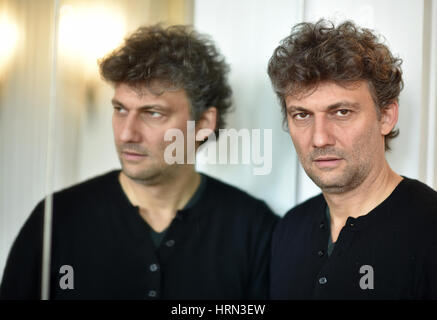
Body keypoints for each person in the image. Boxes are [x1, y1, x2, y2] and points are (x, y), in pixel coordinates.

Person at [0, 25, 278, 300]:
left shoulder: (252, 227)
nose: (126, 133)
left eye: (153, 113)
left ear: (204, 123)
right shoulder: (58, 218)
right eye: (120, 109)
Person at [267, 19, 437, 299]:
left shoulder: (429, 229)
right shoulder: (289, 228)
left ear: (385, 116)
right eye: (302, 115)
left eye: (341, 112)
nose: (320, 138)